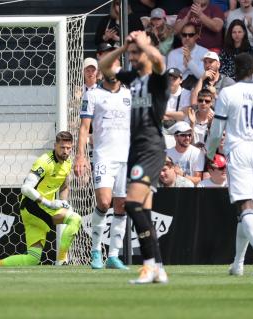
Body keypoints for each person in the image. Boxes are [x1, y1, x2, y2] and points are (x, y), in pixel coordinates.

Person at [99, 30, 169, 284]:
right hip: (136, 149)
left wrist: (142, 43)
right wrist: (123, 48)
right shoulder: (134, 78)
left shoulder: (158, 79)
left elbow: (160, 62)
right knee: (145, 212)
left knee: (131, 204)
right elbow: (104, 68)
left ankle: (149, 266)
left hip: (151, 148)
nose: (134, 56)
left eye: (137, 52)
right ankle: (158, 268)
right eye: (132, 53)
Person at [0, 131, 81, 266]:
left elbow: (64, 186)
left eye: (68, 148)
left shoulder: (67, 163)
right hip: (32, 207)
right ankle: (62, 260)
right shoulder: (44, 161)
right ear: (55, 145)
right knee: (75, 219)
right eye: (62, 147)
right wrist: (48, 203)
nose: (65, 151)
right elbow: (26, 189)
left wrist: (63, 202)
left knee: (32, 259)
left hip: (42, 209)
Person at [75, 56, 131, 270]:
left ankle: (114, 255)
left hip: (126, 157)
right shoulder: (93, 94)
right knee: (104, 202)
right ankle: (96, 250)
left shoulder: (129, 95)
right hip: (104, 156)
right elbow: (83, 128)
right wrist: (81, 156)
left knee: (121, 205)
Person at [206, 52, 253, 276]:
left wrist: (209, 151)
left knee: (245, 206)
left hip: (239, 151)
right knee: (246, 212)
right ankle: (238, 264)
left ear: (235, 71)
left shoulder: (228, 92)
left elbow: (216, 131)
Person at [167, 22, 208, 88]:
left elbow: (202, 76)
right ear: (181, 36)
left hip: (199, 90)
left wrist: (189, 61)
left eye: (191, 35)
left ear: (196, 36)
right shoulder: (173, 54)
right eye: (184, 35)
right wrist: (184, 66)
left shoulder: (204, 52)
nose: (187, 37)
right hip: (179, 89)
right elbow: (170, 77)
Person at [163, 67, 191, 148]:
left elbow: (183, 115)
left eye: (174, 79)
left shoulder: (186, 93)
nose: (171, 81)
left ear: (181, 80)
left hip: (180, 129)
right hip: (163, 127)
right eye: (169, 79)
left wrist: (164, 113)